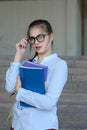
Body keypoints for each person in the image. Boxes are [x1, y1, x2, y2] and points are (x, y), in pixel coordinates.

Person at [5, 19, 68, 130]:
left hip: (41, 126)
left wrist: (21, 92)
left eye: (40, 37)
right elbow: (10, 87)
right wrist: (18, 56)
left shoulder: (59, 65)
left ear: (51, 36)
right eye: (32, 39)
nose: (36, 42)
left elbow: (49, 102)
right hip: (18, 125)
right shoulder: (27, 63)